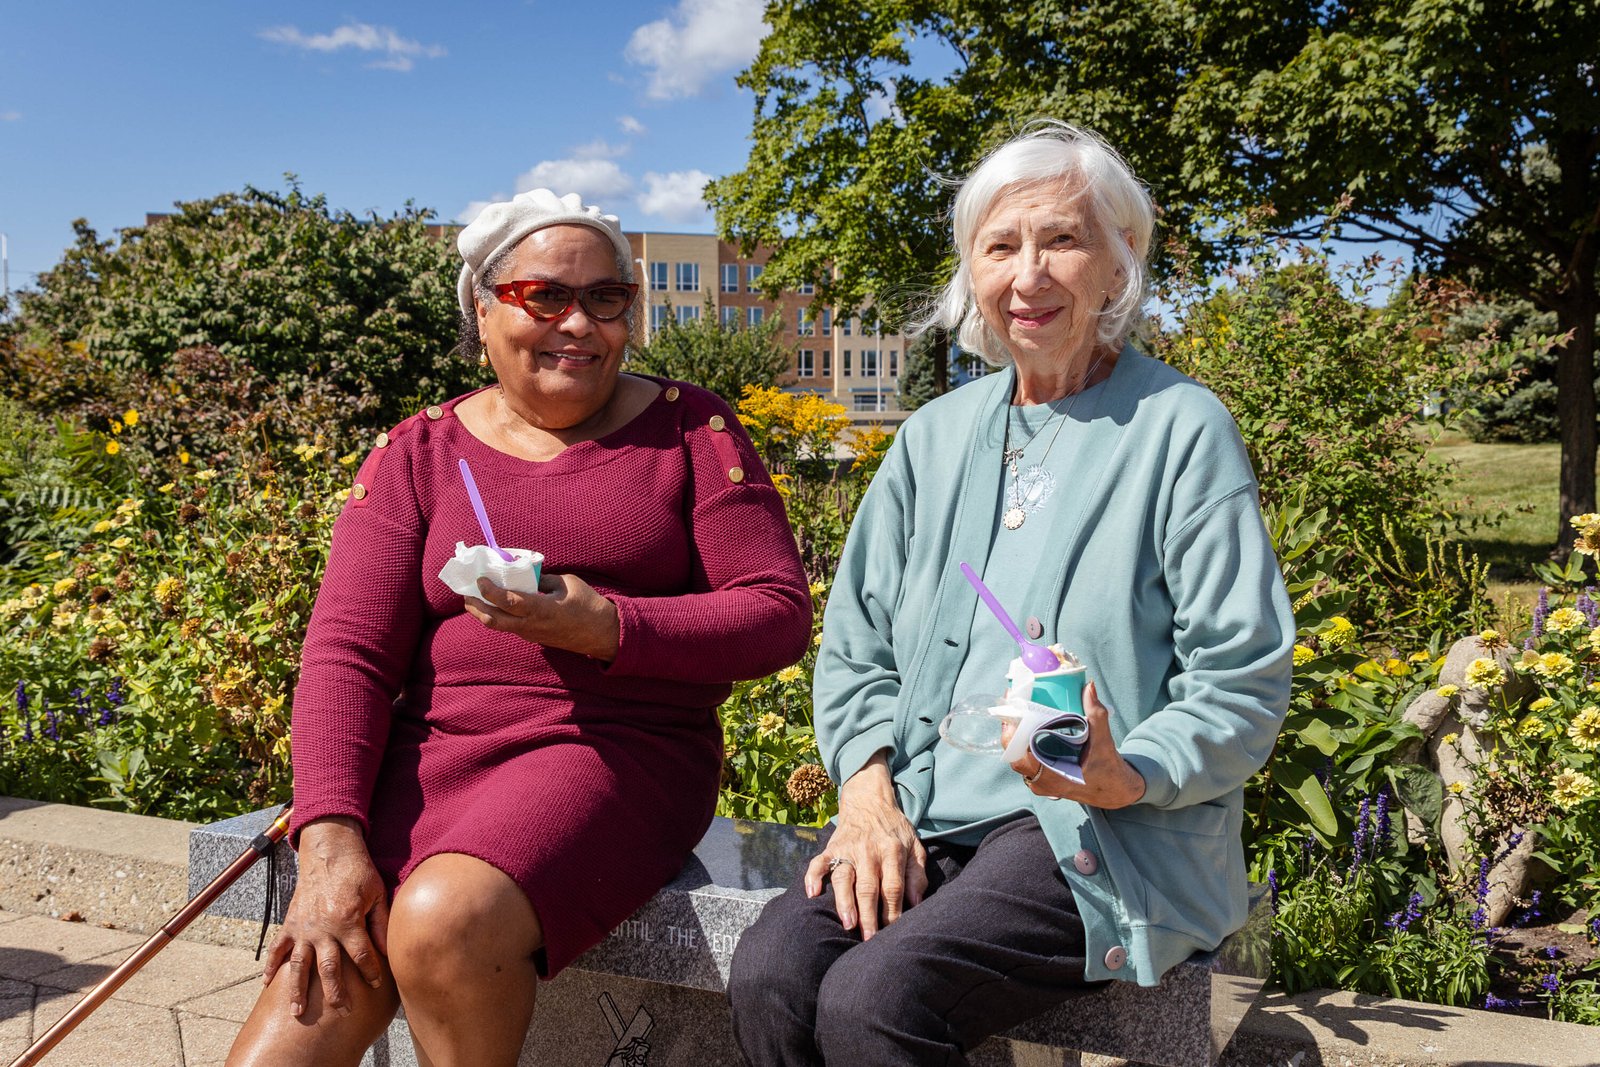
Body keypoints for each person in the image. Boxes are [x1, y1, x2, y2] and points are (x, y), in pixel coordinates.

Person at [727, 122, 1295, 1066]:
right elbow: (857, 644)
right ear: (973, 273)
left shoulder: (1181, 430)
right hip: (921, 807)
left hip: (1098, 828)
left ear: (1119, 261)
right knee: (772, 973)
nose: (1028, 274)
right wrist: (866, 793)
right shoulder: (933, 437)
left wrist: (1126, 771)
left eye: (1062, 240)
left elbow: (1242, 677)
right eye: (1001, 246)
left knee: (875, 1000)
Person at [226, 189, 813, 1067]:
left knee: (441, 919)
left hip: (615, 752)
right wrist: (331, 836)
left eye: (606, 298)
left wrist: (607, 625)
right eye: (545, 296)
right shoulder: (418, 452)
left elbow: (775, 613)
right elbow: (347, 655)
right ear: (483, 308)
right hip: (433, 759)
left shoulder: (692, 428)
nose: (578, 323)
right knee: (298, 1017)